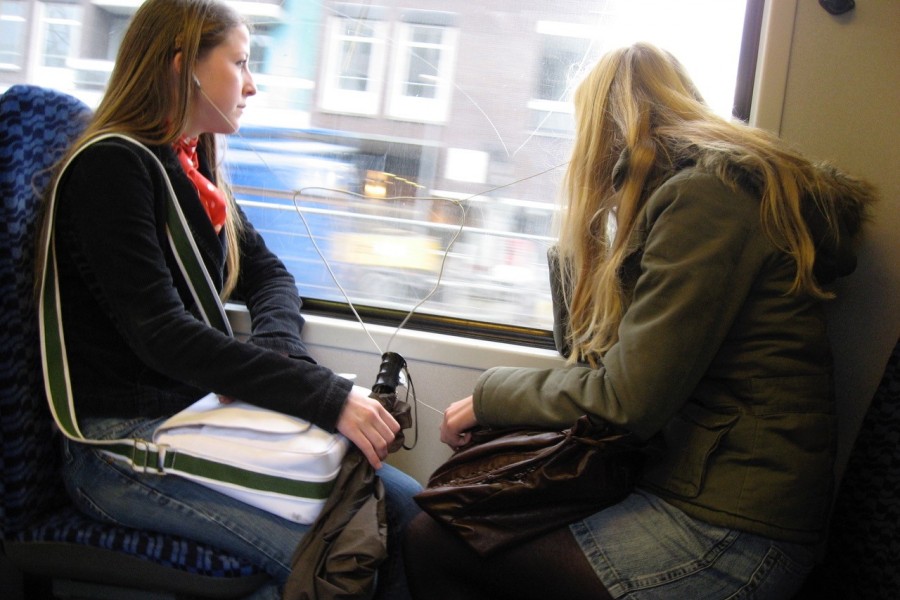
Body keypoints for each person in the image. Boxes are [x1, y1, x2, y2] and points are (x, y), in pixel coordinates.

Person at [403, 42, 876, 599]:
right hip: (698, 493)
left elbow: (627, 401)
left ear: (607, 134)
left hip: (732, 529)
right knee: (460, 531)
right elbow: (601, 360)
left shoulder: (707, 200)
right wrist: (591, 247)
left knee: (435, 540)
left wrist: (489, 395)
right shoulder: (688, 201)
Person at [37, 0, 421, 597]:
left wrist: (277, 348)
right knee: (344, 557)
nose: (252, 84)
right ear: (182, 67)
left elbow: (268, 275)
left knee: (413, 513)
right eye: (240, 62)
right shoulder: (110, 169)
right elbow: (164, 336)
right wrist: (323, 396)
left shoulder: (189, 162)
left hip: (196, 420)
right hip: (120, 446)